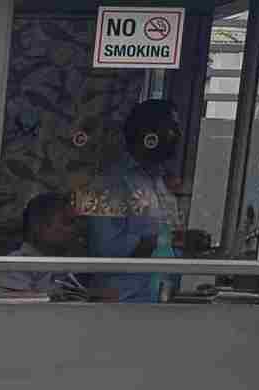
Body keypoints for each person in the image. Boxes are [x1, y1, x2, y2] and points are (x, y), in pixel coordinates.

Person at [79, 99, 211, 303]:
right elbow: (103, 250)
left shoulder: (160, 181)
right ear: (147, 133)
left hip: (158, 301)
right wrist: (173, 239)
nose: (177, 136)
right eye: (170, 128)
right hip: (120, 306)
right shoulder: (107, 182)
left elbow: (167, 243)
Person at [0, 193, 84, 298]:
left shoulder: (63, 269)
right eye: (67, 222)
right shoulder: (13, 268)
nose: (75, 229)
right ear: (38, 226)